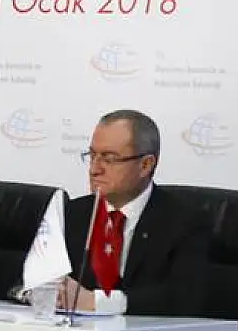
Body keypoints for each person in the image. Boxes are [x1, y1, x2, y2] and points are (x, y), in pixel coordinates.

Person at [58, 109, 211, 317]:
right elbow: (25, 283)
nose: (94, 169)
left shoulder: (185, 222)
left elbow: (184, 298)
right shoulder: (72, 214)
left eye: (109, 159)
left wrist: (97, 302)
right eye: (92, 156)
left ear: (146, 165)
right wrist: (44, 292)